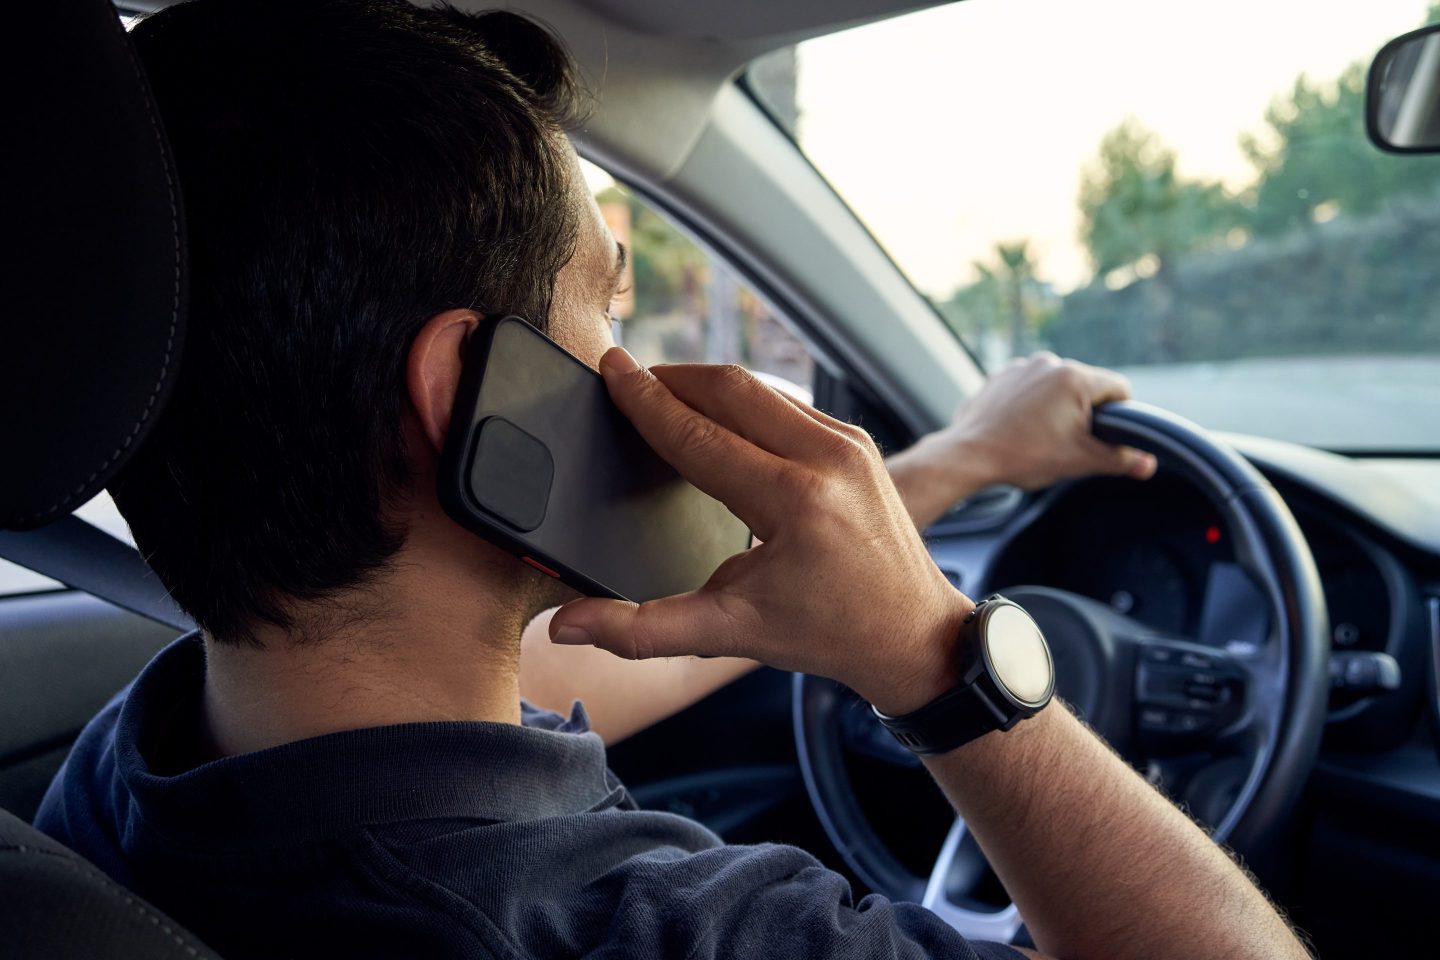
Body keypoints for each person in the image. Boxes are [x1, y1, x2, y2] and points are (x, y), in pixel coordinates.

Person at [35, 2, 1310, 959]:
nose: (633, 376)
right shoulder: (644, 928)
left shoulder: (138, 769)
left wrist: (947, 472)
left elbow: (512, 686)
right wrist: (939, 655)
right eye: (605, 314)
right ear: (467, 398)